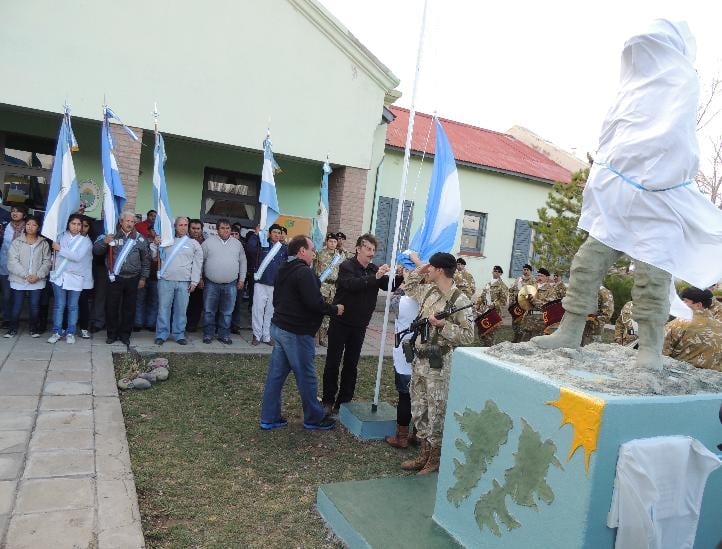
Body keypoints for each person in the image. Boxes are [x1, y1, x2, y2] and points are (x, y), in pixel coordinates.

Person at [533, 22, 722, 370]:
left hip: (658, 196)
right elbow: (612, 136)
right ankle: (569, 330)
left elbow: (679, 139)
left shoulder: (682, 81)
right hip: (617, 196)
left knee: (653, 273)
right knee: (587, 263)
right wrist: (604, 178)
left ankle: (650, 348)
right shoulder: (630, 88)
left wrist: (659, 178)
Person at [400, 251, 475, 474]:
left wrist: (444, 326)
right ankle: (422, 454)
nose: (428, 270)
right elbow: (408, 287)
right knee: (419, 407)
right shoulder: (429, 291)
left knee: (437, 410)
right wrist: (419, 270)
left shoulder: (459, 300)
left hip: (439, 363)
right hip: (420, 360)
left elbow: (469, 336)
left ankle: (434, 458)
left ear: (440, 270)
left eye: (431, 267)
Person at [260, 235, 343, 431]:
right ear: (302, 251)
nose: (314, 253)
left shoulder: (283, 268)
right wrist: (335, 309)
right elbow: (314, 302)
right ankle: (314, 418)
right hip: (296, 332)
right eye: (312, 249)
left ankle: (269, 417)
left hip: (280, 328)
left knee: (276, 376)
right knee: (306, 376)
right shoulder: (303, 272)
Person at [322, 233, 402, 414]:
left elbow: (389, 285)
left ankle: (344, 402)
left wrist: (400, 275)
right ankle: (328, 400)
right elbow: (352, 284)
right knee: (333, 362)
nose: (371, 253)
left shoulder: (374, 269)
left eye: (374, 250)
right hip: (340, 322)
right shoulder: (347, 266)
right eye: (368, 248)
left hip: (359, 324)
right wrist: (376, 277)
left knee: (351, 364)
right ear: (358, 248)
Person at [93, 210, 150, 345]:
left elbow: (146, 261)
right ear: (121, 222)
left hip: (133, 278)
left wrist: (143, 278)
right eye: (127, 221)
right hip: (115, 278)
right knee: (112, 307)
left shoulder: (140, 239)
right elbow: (97, 250)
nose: (130, 224)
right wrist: (104, 242)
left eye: (132, 221)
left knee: (129, 308)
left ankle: (125, 335)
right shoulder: (112, 236)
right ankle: (111, 334)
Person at [384, 273, 420, 449]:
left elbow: (393, 300)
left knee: (405, 396)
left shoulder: (401, 301)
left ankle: (402, 437)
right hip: (422, 353)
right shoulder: (430, 301)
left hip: (404, 353)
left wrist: (404, 280)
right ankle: (418, 435)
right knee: (421, 397)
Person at [154, 216, 203, 346]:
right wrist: (156, 243)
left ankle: (179, 334)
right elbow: (154, 256)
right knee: (163, 309)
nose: (183, 227)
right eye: (180, 225)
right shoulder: (166, 241)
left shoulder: (194, 244)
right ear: (175, 226)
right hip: (166, 281)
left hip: (184, 283)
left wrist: (194, 282)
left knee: (181, 311)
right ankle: (161, 334)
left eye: (185, 225)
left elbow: (198, 264)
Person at [48, 214, 93, 344]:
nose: (76, 226)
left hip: (75, 277)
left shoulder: (85, 241)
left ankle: (70, 332)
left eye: (79, 224)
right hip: (59, 276)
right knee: (59, 305)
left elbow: (77, 257)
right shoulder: (60, 236)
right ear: (68, 224)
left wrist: (60, 249)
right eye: (73, 223)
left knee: (73, 306)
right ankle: (56, 332)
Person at [201, 218, 247, 344]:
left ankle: (224, 335)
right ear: (217, 229)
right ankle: (208, 334)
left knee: (227, 312)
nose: (225, 231)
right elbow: (200, 261)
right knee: (209, 310)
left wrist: (242, 279)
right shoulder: (208, 243)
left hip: (231, 284)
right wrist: (199, 278)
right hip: (211, 284)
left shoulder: (237, 244)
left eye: (228, 228)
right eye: (222, 228)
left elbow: (243, 262)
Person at [5, 215, 51, 337]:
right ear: (25, 226)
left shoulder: (43, 243)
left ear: (38, 227)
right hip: (19, 279)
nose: (30, 227)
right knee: (17, 306)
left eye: (34, 225)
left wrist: (38, 275)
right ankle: (12, 329)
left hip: (37, 280)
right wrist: (25, 275)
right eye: (28, 224)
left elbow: (47, 262)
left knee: (34, 306)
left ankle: (33, 329)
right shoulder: (17, 242)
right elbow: (12, 261)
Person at [245, 223, 287, 345]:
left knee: (270, 311)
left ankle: (266, 336)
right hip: (261, 283)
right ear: (269, 233)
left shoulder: (283, 248)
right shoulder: (262, 243)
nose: (277, 235)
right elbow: (250, 248)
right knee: (258, 309)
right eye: (274, 232)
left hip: (275, 285)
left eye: (279, 233)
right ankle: (256, 335)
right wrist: (256, 234)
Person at [663, 287, 722, 370]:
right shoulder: (719, 325)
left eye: (686, 301)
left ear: (698, 305)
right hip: (712, 378)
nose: (682, 303)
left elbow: (659, 351)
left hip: (681, 375)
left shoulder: (680, 323)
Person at [519, 268, 566, 341]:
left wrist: (534, 301)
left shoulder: (551, 290)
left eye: (541, 276)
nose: (539, 277)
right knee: (524, 342)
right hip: (528, 320)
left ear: (547, 278)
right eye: (538, 275)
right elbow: (522, 300)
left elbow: (549, 305)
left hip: (540, 321)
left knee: (536, 343)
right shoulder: (531, 287)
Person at [313, 233, 343, 346]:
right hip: (322, 286)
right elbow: (314, 269)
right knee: (318, 311)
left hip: (332, 288)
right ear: (326, 242)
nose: (332, 244)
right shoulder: (319, 254)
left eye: (335, 242)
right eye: (330, 241)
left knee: (328, 313)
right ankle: (314, 337)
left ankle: (323, 338)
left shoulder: (339, 257)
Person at [0, 205, 27, 326]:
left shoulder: (28, 227)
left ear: (24, 214)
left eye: (18, 211)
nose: (15, 213)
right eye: (13, 211)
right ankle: (7, 318)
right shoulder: (5, 226)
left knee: (17, 295)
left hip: (21, 267)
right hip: (5, 265)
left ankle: (15, 319)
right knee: (6, 295)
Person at [475, 265, 508, 347]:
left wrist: (494, 304)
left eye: (498, 272)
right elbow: (482, 296)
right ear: (492, 272)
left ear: (501, 274)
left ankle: (489, 349)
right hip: (484, 310)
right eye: (494, 271)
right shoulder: (488, 284)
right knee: (482, 331)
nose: (496, 273)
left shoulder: (502, 286)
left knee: (490, 333)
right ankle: (482, 349)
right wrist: (477, 305)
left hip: (493, 312)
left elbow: (503, 301)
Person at [185, 219, 205, 332]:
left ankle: (192, 325)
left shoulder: (205, 243)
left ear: (201, 230)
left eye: (198, 229)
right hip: (184, 277)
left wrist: (201, 278)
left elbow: (204, 262)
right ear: (189, 229)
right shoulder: (183, 241)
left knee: (197, 303)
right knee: (183, 304)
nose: (196, 231)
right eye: (193, 228)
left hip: (199, 279)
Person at [508, 263, 534, 343]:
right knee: (515, 323)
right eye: (524, 269)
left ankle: (521, 341)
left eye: (527, 270)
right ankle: (516, 338)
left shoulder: (533, 281)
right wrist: (511, 300)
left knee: (522, 324)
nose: (525, 271)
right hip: (516, 306)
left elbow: (533, 293)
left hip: (525, 307)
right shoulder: (518, 279)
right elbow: (511, 290)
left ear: (530, 271)